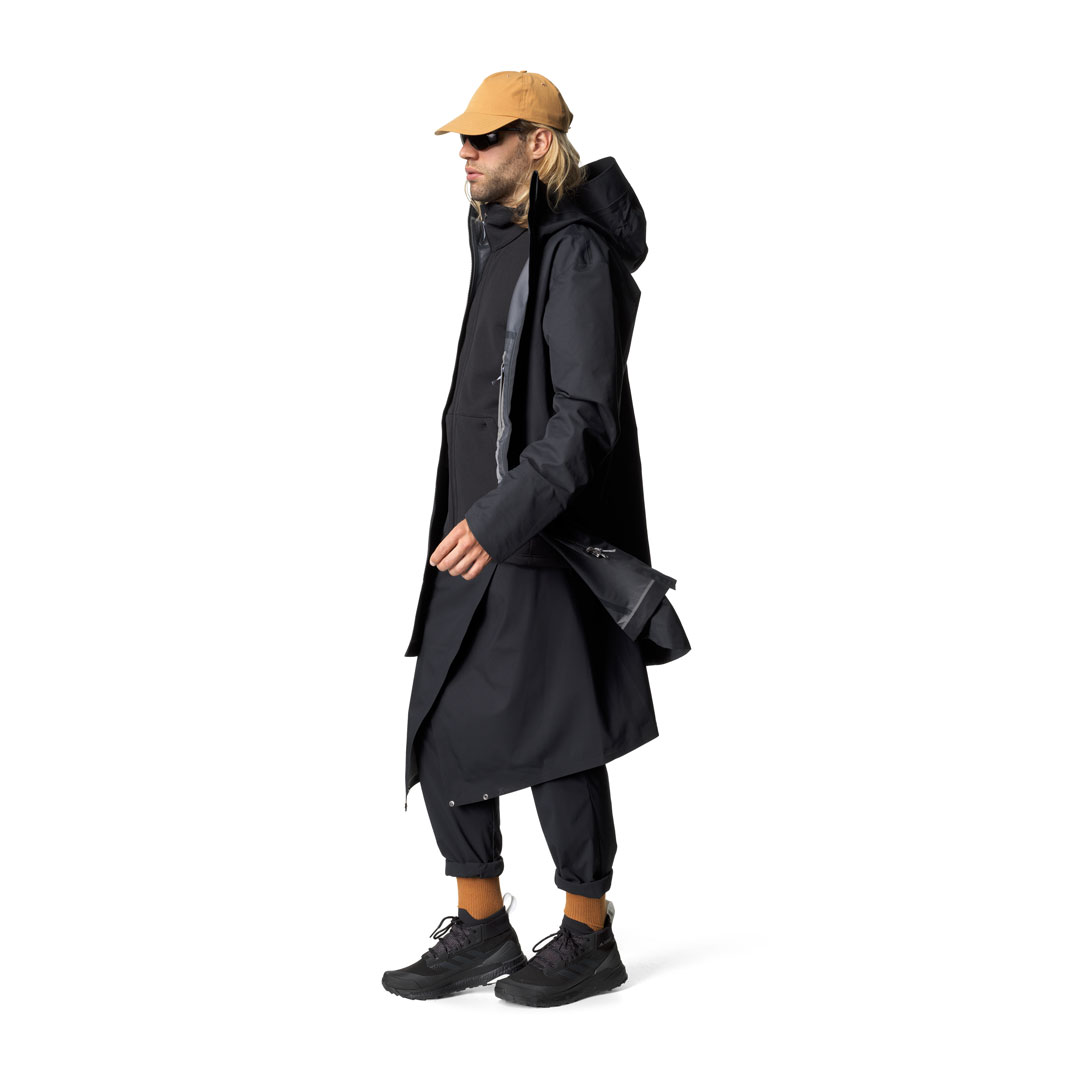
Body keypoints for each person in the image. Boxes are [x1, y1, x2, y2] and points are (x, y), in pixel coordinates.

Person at [382, 70, 690, 1007]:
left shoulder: (576, 252)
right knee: (442, 720)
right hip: (474, 526)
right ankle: (481, 924)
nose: (467, 152)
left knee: (558, 732)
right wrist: (470, 514)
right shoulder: (499, 237)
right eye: (464, 139)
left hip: (538, 528)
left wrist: (503, 514)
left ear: (539, 144)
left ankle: (588, 934)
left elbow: (584, 419)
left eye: (488, 137)